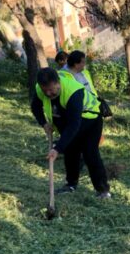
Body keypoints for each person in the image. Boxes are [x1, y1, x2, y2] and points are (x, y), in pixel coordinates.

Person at [30, 68, 111, 198]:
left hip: (90, 120)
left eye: (51, 89)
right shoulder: (40, 89)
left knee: (90, 153)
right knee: (70, 151)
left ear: (58, 83)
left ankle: (103, 190)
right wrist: (43, 123)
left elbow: (74, 125)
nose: (48, 93)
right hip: (67, 120)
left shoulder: (74, 92)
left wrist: (57, 149)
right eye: (45, 90)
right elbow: (35, 107)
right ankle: (71, 184)